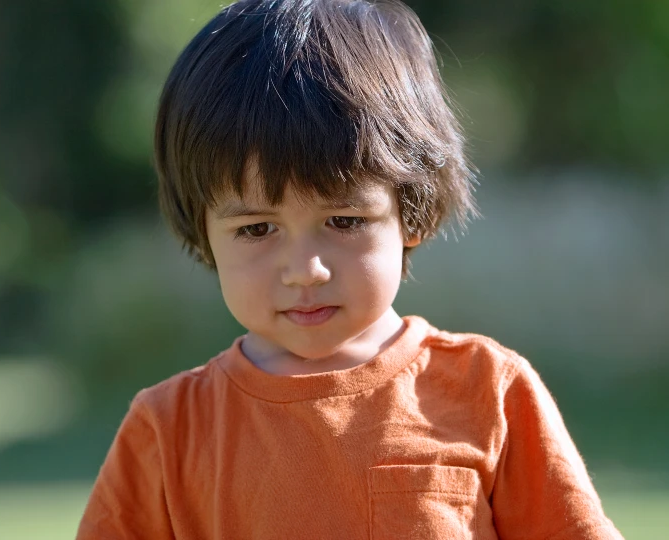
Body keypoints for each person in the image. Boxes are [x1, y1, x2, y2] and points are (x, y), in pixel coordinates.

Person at [76, 0, 623, 538]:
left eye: (343, 220)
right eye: (256, 230)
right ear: (206, 233)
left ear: (411, 213)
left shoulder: (488, 393)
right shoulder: (168, 429)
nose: (305, 270)